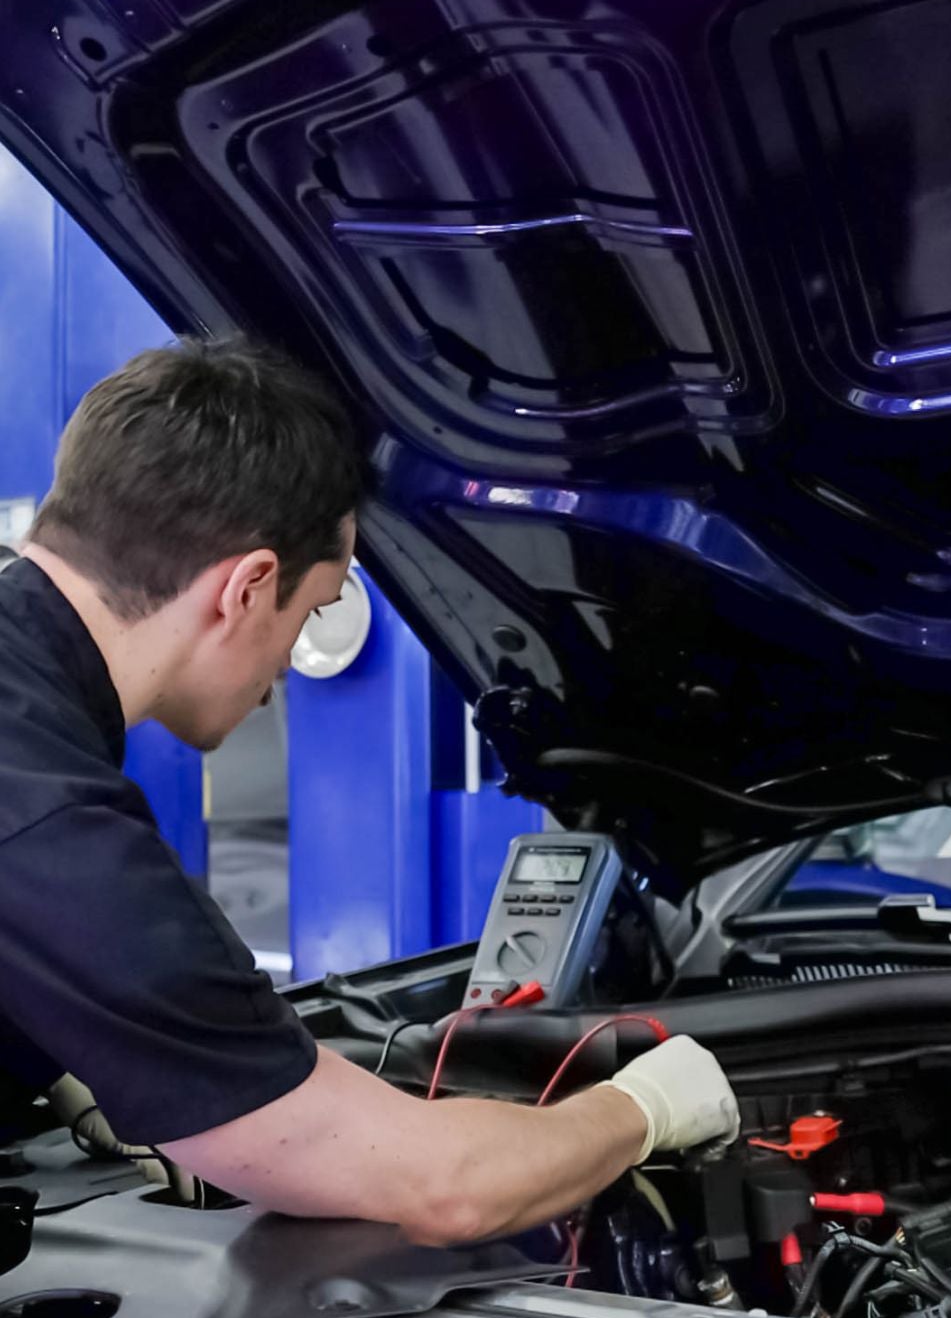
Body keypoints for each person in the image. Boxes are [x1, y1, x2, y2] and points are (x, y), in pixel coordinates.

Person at [0, 337, 738, 1243]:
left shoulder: (27, 724)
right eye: (313, 611)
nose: (283, 671)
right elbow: (442, 1187)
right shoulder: (50, 818)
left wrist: (67, 1057)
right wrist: (646, 1109)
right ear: (247, 587)